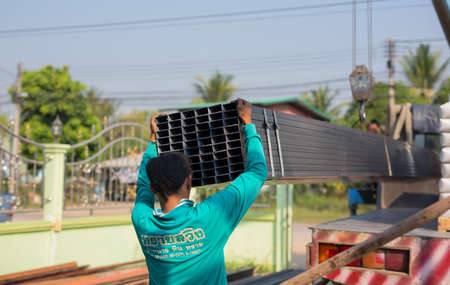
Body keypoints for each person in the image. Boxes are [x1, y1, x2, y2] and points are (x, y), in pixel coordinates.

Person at [132, 99, 268, 285]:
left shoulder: (142, 222)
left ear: (153, 187)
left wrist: (153, 141)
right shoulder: (211, 215)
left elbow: (142, 186)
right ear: (189, 181)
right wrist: (248, 123)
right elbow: (257, 172)